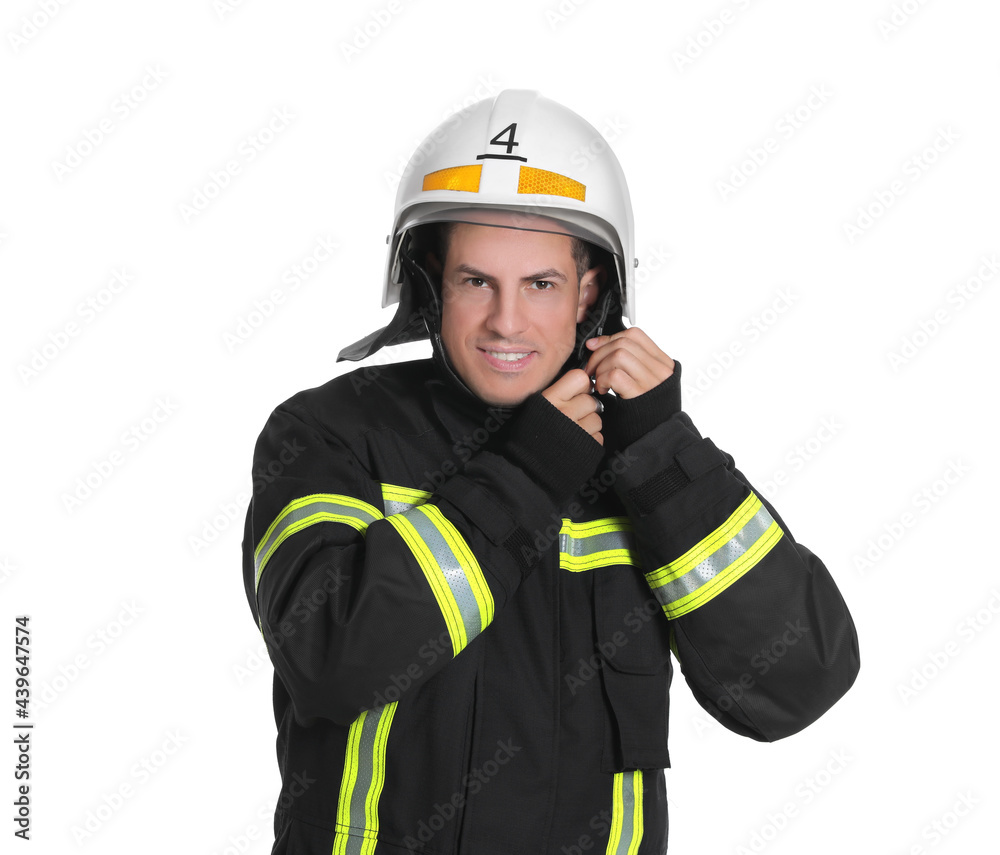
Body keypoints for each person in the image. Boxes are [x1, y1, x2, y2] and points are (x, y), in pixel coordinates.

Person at [241, 89, 859, 855]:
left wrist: (664, 459)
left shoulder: (647, 464)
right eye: (476, 281)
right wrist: (524, 476)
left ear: (589, 289)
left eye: (540, 283)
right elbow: (328, 657)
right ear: (430, 282)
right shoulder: (332, 434)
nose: (506, 321)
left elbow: (796, 682)